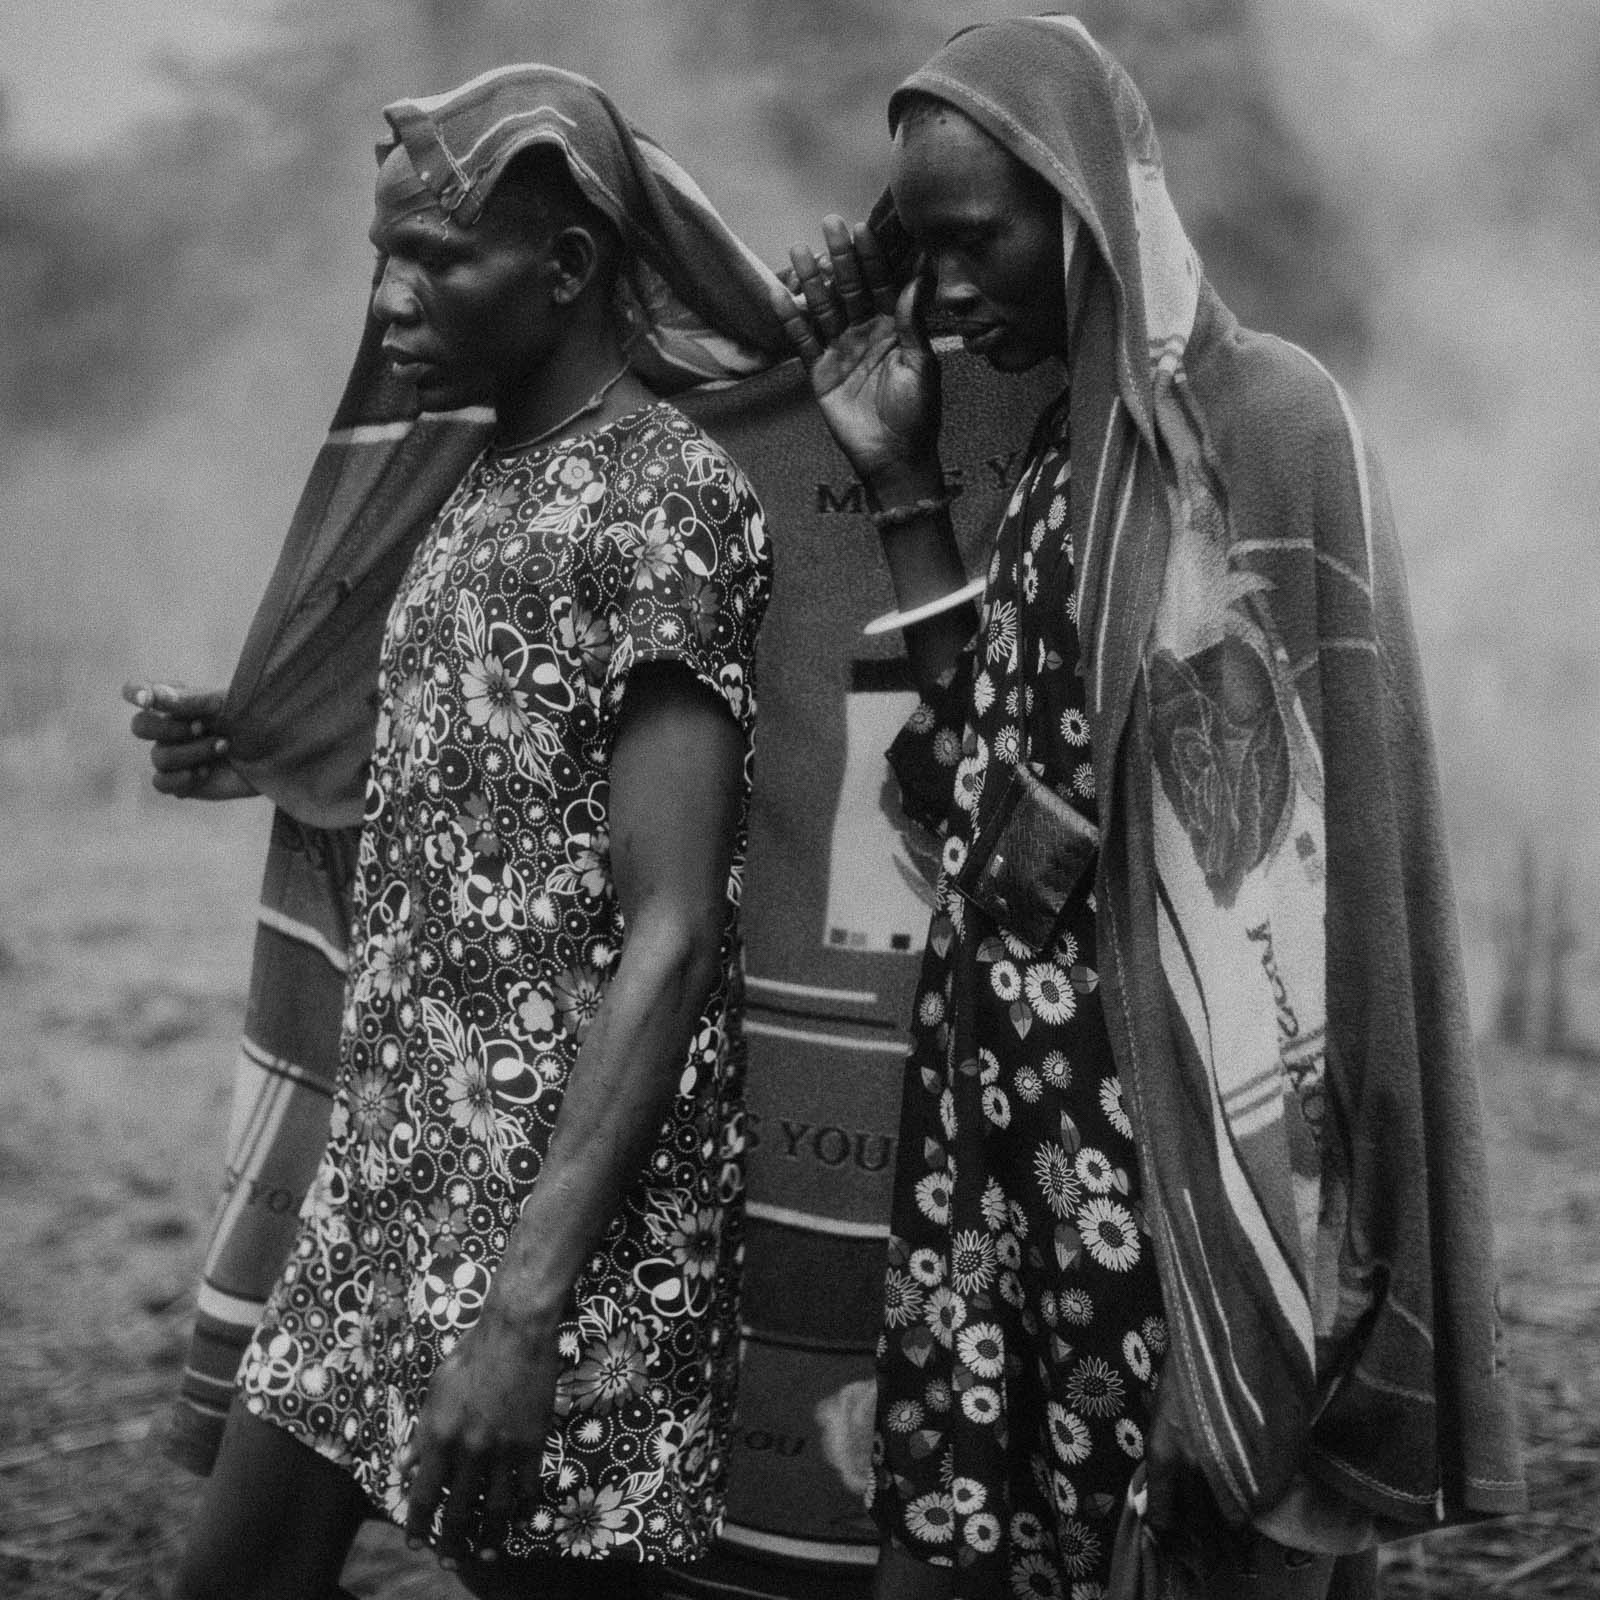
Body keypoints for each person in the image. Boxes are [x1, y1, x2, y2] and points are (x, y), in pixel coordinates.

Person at [771, 16, 1525, 1600]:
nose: (947, 288)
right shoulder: (1066, 460)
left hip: (1177, 1162)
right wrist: (900, 486)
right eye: (922, 249)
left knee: (1201, 1557)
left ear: (1087, 208)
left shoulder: (1265, 424)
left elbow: (1297, 923)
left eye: (977, 241)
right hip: (1015, 1139)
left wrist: (1241, 1310)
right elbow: (990, 804)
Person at [133, 65, 793, 1600]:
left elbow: (675, 923)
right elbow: (483, 802)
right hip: (386, 1190)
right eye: (384, 257)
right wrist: (260, 747)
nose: (390, 299)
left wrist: (525, 1307)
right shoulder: (480, 487)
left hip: (556, 1233)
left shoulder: (665, 503)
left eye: (435, 259)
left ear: (565, 270)